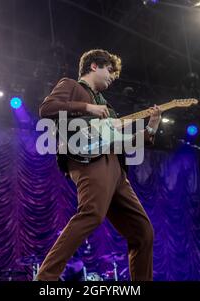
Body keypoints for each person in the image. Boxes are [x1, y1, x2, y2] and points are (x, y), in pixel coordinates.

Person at [36, 49, 161, 281]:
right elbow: (47, 109)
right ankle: (45, 278)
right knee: (91, 214)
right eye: (110, 70)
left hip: (116, 168)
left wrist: (151, 128)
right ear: (94, 66)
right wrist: (88, 108)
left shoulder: (109, 109)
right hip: (88, 161)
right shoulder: (71, 85)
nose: (113, 77)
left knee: (143, 232)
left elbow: (121, 142)